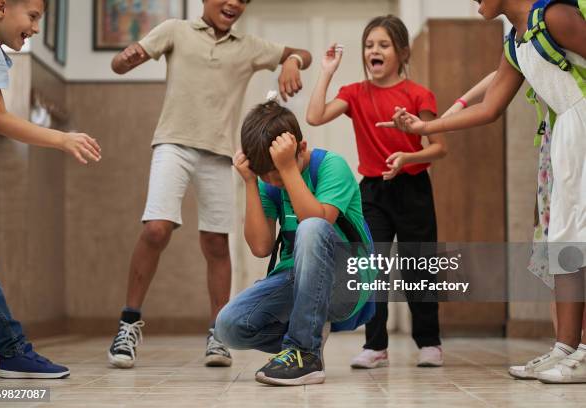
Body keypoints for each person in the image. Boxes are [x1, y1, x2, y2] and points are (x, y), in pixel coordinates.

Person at [381, 0, 586, 384]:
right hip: (566, 136)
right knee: (565, 240)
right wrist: (427, 128)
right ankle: (566, 348)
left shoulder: (555, 15)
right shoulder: (515, 41)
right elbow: (491, 107)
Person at [106, 0, 312, 369]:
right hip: (173, 143)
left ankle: (218, 333)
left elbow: (303, 54)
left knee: (216, 242)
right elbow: (120, 63)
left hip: (219, 153)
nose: (233, 2)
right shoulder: (175, 30)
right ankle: (128, 323)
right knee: (156, 229)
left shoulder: (248, 47)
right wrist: (126, 58)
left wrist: (292, 61)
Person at [306, 15, 447, 369]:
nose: (374, 51)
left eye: (383, 45)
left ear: (401, 52)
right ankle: (376, 345)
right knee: (372, 267)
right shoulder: (354, 93)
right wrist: (327, 71)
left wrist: (408, 156)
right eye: (369, 45)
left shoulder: (418, 94)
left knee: (420, 266)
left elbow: (439, 147)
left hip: (413, 187)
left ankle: (429, 342)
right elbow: (315, 116)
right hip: (372, 191)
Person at [0, 0, 101, 378]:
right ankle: (13, 351)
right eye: (32, 17)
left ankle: (13, 349)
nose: (36, 28)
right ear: (0, 7)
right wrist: (62, 138)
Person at [215, 98, 374, 385]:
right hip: (297, 279)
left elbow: (318, 221)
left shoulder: (330, 167)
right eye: (266, 175)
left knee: (311, 226)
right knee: (228, 327)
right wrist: (251, 182)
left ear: (300, 149)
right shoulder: (266, 181)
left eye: (276, 173)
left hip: (347, 280)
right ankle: (304, 337)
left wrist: (287, 169)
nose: (273, 181)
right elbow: (261, 247)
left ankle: (305, 352)